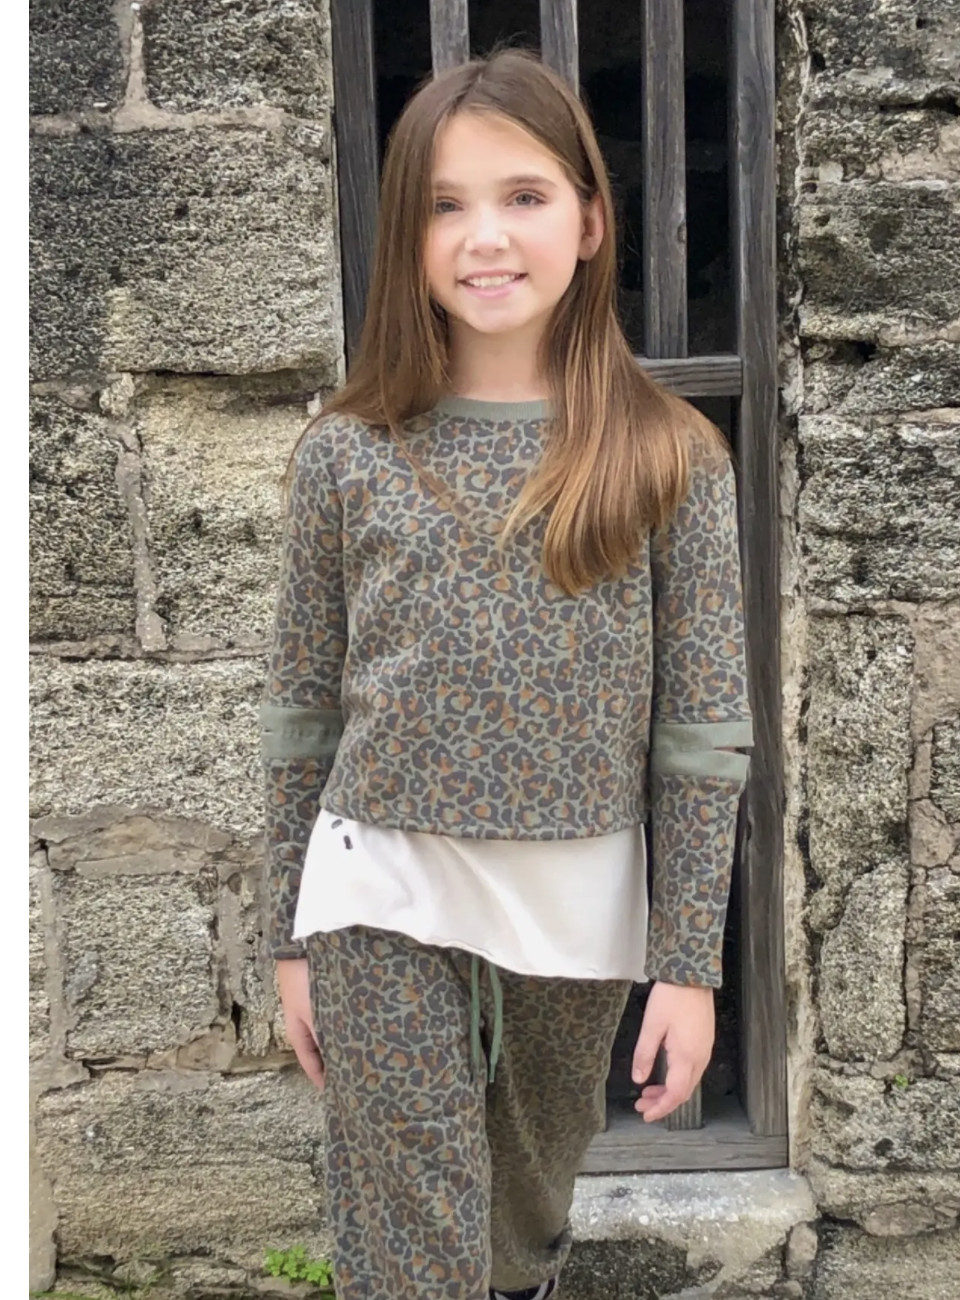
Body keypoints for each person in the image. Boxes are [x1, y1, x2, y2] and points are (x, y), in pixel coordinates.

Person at [262, 48, 751, 1300]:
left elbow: (702, 733)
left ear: (587, 219)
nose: (484, 236)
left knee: (521, 1211)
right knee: (410, 1217)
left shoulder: (668, 457)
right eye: (445, 204)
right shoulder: (348, 453)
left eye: (522, 196)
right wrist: (288, 934)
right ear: (407, 235)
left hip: (576, 897)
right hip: (379, 879)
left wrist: (688, 962)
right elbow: (303, 712)